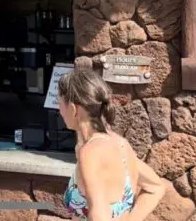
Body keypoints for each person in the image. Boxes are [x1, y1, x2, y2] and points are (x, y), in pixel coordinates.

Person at [57, 68, 166, 221]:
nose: (59, 110)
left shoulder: (90, 153)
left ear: (74, 109)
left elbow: (99, 216)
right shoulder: (120, 145)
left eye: (60, 103)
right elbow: (155, 187)